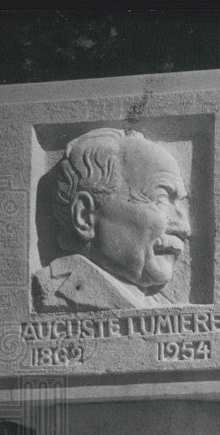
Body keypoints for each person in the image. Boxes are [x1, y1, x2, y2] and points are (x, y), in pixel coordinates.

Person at [32, 128, 191, 311]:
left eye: (179, 203)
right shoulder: (52, 289)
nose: (184, 227)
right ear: (85, 215)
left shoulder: (161, 304)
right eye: (161, 200)